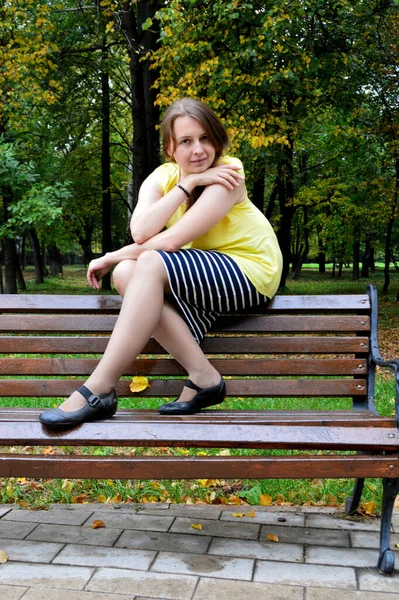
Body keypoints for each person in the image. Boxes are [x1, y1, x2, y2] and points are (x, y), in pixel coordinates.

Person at [39, 98, 283, 427]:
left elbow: (169, 242)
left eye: (205, 138)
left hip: (250, 270)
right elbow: (140, 231)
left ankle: (100, 388)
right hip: (206, 272)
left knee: (149, 262)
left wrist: (110, 256)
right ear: (170, 148)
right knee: (127, 271)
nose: (198, 150)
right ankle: (204, 378)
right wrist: (187, 184)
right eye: (186, 141)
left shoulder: (229, 174)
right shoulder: (165, 177)